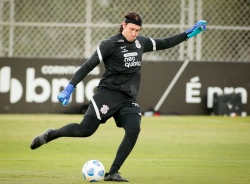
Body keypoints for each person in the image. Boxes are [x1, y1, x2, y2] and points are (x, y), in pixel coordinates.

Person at [30, 12, 207, 182]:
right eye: (131, 29)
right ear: (123, 25)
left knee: (134, 128)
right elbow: (87, 66)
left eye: (138, 31)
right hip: (107, 94)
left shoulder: (141, 43)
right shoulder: (109, 44)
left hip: (128, 99)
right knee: (85, 130)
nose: (134, 33)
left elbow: (166, 42)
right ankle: (51, 134)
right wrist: (70, 87)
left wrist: (190, 33)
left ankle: (113, 172)